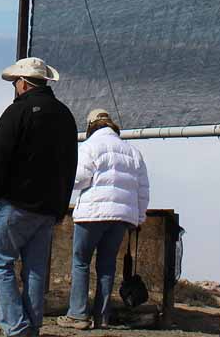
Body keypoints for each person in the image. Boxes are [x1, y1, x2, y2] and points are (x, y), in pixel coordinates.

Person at [0, 57, 78, 337]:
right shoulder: (65, 115)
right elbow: (70, 163)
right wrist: (60, 206)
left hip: (13, 204)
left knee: (1, 263)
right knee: (36, 270)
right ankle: (32, 326)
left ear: (23, 83)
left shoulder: (17, 112)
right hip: (47, 208)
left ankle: (16, 327)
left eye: (15, 82)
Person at [56, 108, 150, 330]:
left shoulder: (89, 147)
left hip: (92, 214)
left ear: (91, 126)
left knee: (81, 262)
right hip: (121, 218)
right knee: (107, 266)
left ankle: (78, 315)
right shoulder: (133, 152)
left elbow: (78, 178)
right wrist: (138, 217)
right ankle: (102, 317)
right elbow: (143, 190)